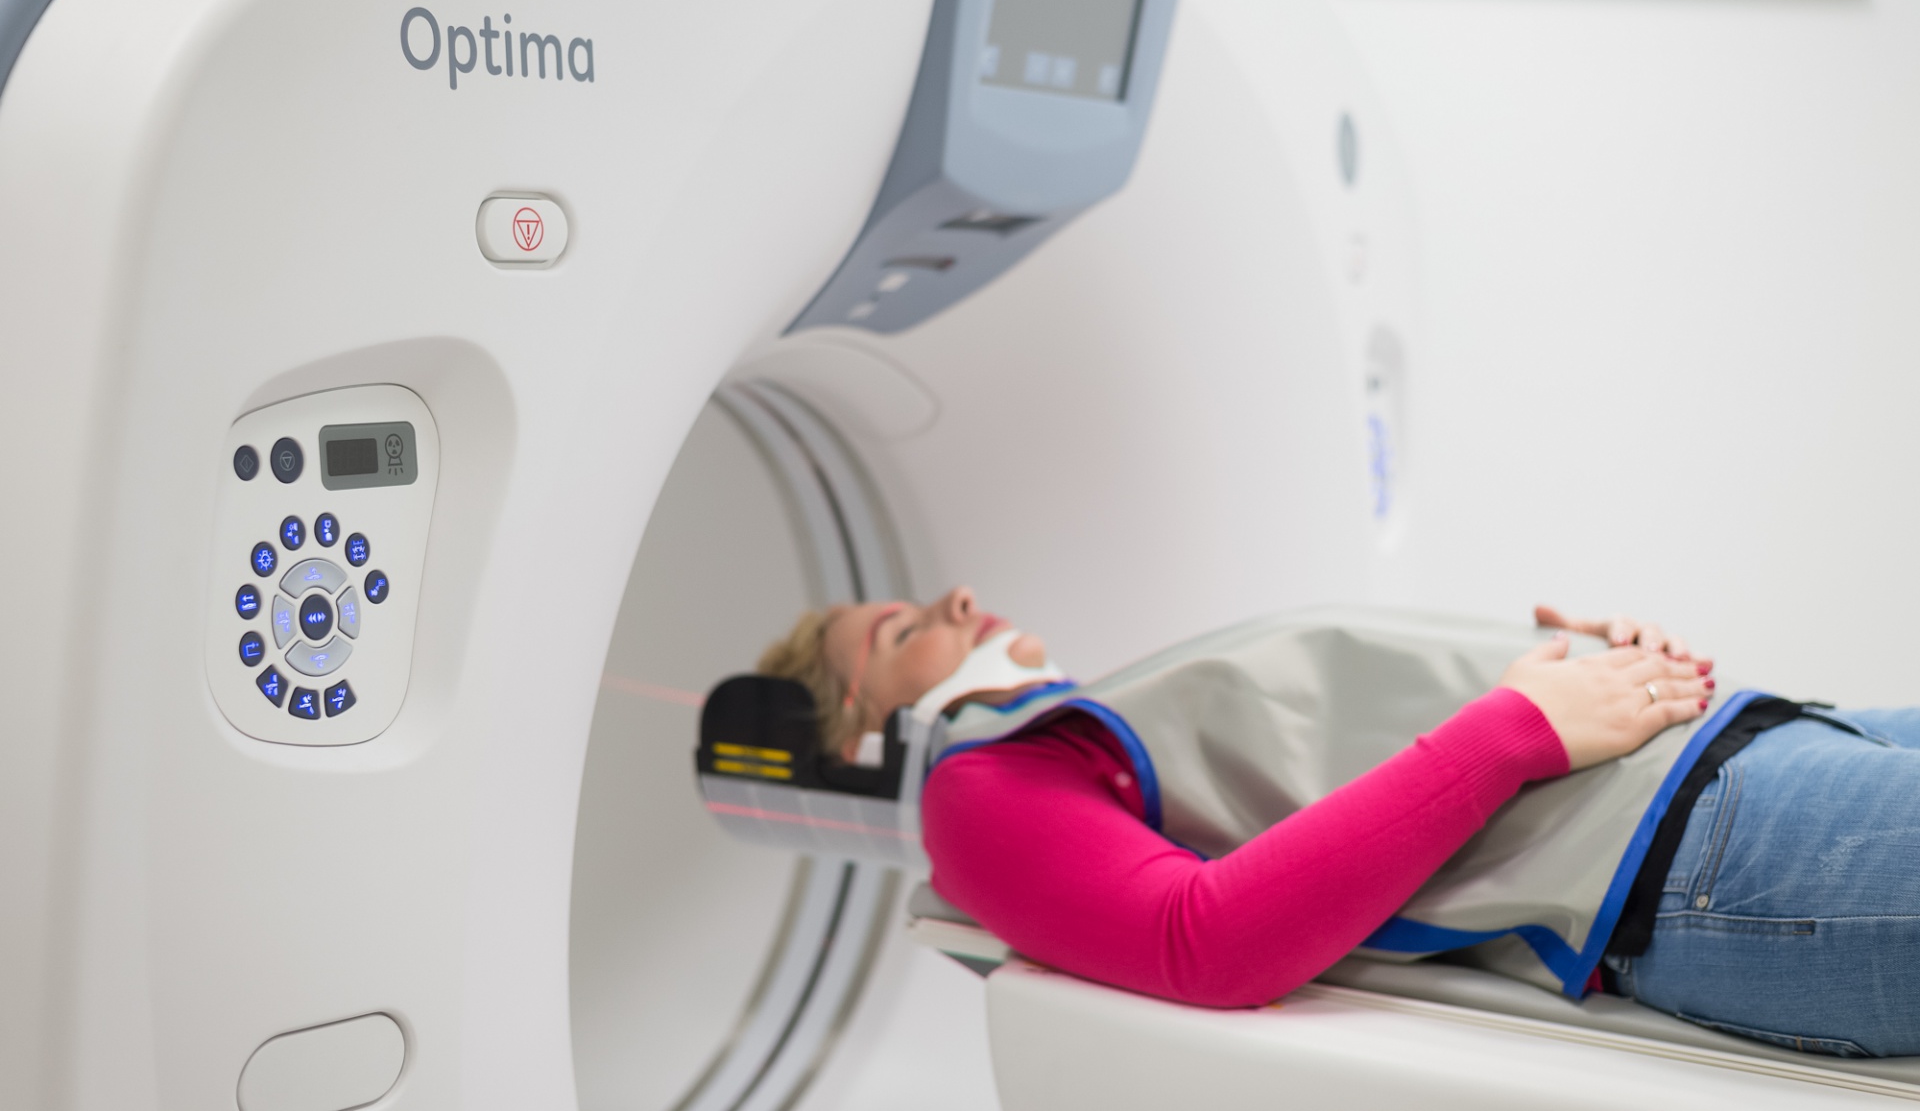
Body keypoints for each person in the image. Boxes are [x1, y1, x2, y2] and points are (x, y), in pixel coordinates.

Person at [757, 587, 1920, 1059]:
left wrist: (1592, 670)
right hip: (1698, 850)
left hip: (1765, 748)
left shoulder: (1135, 715)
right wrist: (1519, 725)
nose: (955, 599)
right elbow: (1204, 939)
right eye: (900, 629)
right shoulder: (976, 789)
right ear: (862, 737)